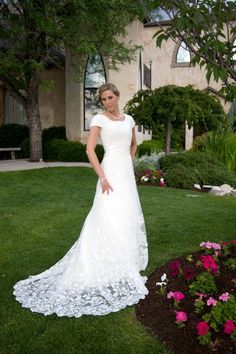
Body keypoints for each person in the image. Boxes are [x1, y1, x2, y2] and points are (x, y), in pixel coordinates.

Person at [13, 83, 149, 318]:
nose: (107, 102)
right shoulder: (99, 119)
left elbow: (134, 144)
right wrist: (103, 176)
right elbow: (89, 150)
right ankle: (102, 259)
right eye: (103, 99)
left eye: (110, 97)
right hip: (109, 172)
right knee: (106, 213)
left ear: (117, 96)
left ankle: (125, 258)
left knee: (126, 214)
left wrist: (128, 162)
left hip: (125, 172)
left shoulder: (130, 120)